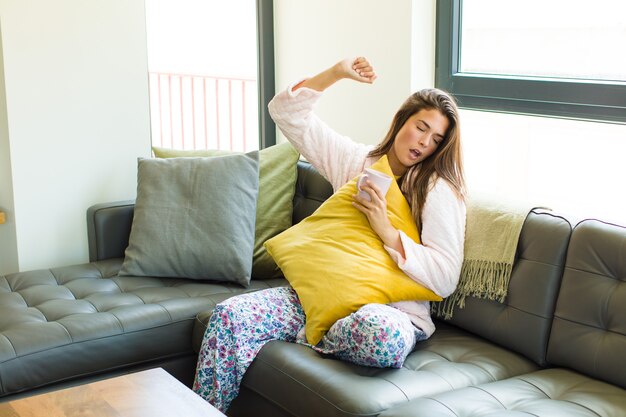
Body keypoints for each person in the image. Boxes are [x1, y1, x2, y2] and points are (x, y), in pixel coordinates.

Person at [193, 57, 467, 413]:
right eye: (420, 127)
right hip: (319, 294)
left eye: (436, 139)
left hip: (385, 313)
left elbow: (445, 277)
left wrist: (386, 229)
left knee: (382, 338)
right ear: (401, 120)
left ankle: (313, 334)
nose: (424, 143)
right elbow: (285, 112)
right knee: (230, 317)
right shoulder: (356, 161)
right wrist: (336, 73)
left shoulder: (437, 190)